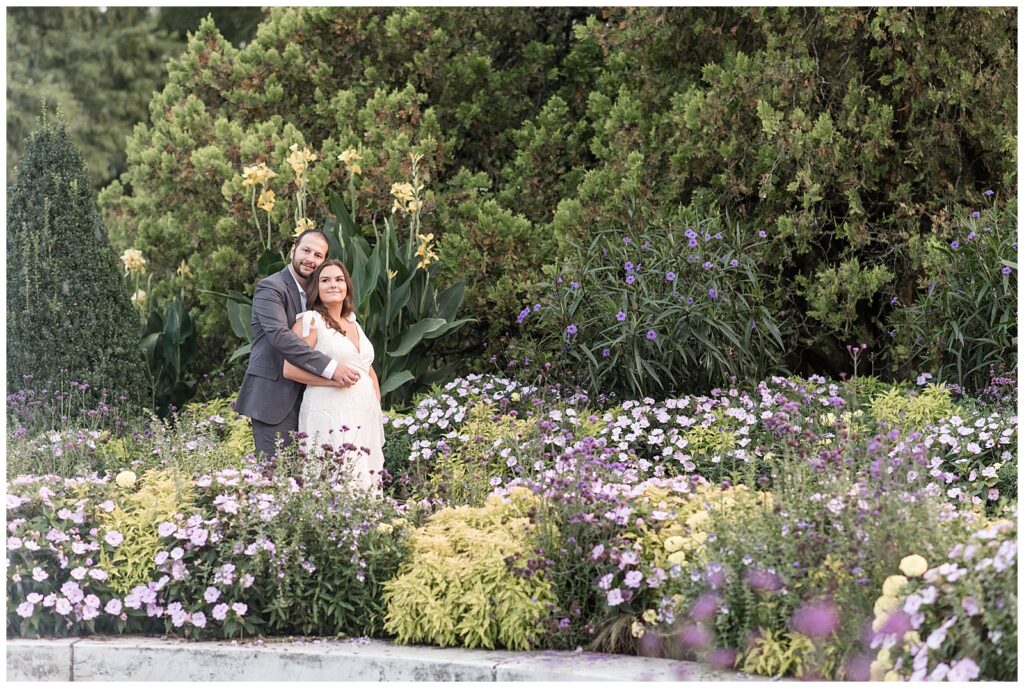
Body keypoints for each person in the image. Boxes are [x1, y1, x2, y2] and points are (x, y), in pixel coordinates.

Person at [234, 230, 361, 459]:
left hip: (312, 400)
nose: (310, 258)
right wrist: (331, 368)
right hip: (274, 398)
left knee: (307, 477)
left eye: (318, 255)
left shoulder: (317, 297)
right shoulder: (271, 288)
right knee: (278, 476)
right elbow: (280, 336)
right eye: (306, 250)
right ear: (293, 250)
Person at [283, 260, 385, 493]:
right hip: (330, 411)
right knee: (337, 475)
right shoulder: (310, 321)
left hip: (362, 413)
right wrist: (332, 380)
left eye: (339, 279)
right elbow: (289, 369)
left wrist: (375, 401)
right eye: (325, 280)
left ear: (347, 286)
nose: (333, 285)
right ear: (315, 288)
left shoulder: (353, 322)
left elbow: (365, 367)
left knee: (366, 474)